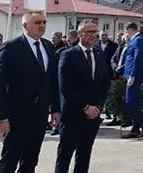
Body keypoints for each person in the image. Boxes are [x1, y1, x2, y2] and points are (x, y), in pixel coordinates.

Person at [0, 11, 61, 173]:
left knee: (30, 160)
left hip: (39, 113)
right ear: (25, 26)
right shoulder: (11, 47)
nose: (42, 26)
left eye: (44, 22)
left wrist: (56, 108)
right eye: (37, 22)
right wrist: (1, 117)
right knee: (10, 160)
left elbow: (52, 80)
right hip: (16, 114)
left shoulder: (47, 46)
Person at [54, 20, 110, 173]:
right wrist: (85, 107)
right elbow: (66, 86)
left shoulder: (100, 54)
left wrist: (98, 106)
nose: (93, 35)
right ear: (79, 34)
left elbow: (105, 82)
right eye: (89, 32)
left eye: (95, 32)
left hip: (93, 116)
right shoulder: (68, 55)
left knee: (84, 156)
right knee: (65, 155)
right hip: (73, 114)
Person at [121, 22, 143, 139]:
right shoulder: (134, 41)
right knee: (133, 102)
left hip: (134, 76)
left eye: (126, 32)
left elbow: (137, 59)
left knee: (130, 102)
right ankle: (135, 128)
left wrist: (132, 75)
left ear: (129, 30)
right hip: (130, 75)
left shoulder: (138, 40)